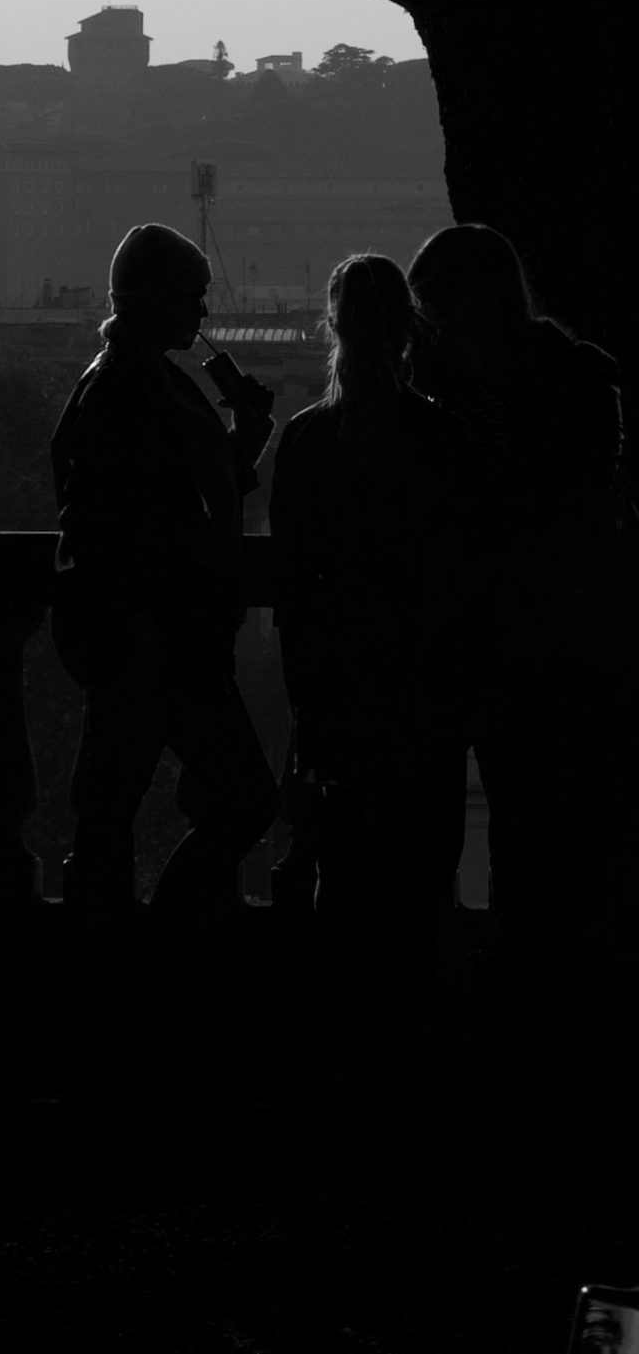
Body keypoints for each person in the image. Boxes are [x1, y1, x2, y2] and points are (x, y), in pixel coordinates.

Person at [406, 222, 628, 1033]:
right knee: (544, 817)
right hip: (548, 635)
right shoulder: (577, 375)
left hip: (508, 638)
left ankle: (520, 984)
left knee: (519, 816)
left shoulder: (442, 383)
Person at [269, 254, 472, 1040]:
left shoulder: (306, 440)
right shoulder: (441, 436)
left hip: (340, 690)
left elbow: (294, 592)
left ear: (332, 326)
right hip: (423, 691)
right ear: (410, 329)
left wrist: (307, 702)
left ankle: (339, 1033)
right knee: (419, 876)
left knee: (345, 870)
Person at [50, 223, 279, 910]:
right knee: (238, 798)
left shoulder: (126, 378)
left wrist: (242, 448)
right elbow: (133, 520)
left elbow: (164, 498)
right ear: (156, 299)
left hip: (155, 639)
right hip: (160, 641)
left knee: (111, 807)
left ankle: (126, 944)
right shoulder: (130, 387)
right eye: (193, 295)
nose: (203, 311)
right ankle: (167, 928)